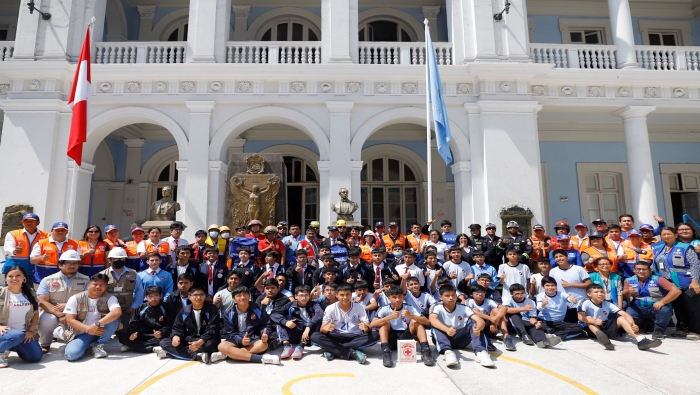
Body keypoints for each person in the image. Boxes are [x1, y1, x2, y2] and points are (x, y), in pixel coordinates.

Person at [578, 283, 662, 350]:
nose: (600, 294)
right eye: (596, 292)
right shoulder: (585, 302)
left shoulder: (607, 303)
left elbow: (624, 314)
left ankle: (640, 340)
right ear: (589, 294)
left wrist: (633, 325)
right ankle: (605, 341)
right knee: (589, 319)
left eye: (602, 292)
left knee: (621, 318)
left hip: (604, 325)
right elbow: (580, 317)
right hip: (589, 329)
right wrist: (595, 321)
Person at [651, 227, 700, 340]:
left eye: (669, 234)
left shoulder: (685, 247)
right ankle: (683, 329)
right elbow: (654, 266)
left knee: (692, 307)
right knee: (678, 307)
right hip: (670, 285)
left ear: (675, 235)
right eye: (664, 234)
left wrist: (695, 281)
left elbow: (695, 265)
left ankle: (695, 330)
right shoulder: (658, 249)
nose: (666, 236)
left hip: (687, 283)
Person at [310, 283, 379, 363]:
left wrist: (366, 328)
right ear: (336, 295)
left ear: (351, 295)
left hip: (354, 337)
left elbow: (367, 327)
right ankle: (351, 353)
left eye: (347, 294)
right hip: (335, 336)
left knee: (375, 335)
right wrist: (326, 328)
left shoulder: (360, 308)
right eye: (342, 295)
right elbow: (322, 329)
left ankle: (334, 350)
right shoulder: (330, 308)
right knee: (314, 336)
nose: (345, 297)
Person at [429, 284, 494, 367]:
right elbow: (432, 320)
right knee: (436, 327)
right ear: (441, 297)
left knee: (474, 325)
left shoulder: (464, 307)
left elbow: (480, 320)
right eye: (447, 296)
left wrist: (478, 328)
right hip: (443, 336)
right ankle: (448, 352)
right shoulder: (437, 307)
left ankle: (481, 353)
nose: (451, 298)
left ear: (456, 296)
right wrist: (447, 330)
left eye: (453, 295)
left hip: (460, 338)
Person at [36, 250, 89, 353]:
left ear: (78, 265)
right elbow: (42, 301)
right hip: (53, 312)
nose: (72, 266)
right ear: (61, 265)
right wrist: (60, 315)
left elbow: (88, 298)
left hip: (75, 312)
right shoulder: (48, 280)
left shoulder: (86, 280)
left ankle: (58, 333)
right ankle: (45, 344)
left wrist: (68, 306)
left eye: (75, 263)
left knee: (72, 340)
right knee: (47, 319)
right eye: (68, 263)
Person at [370, 286, 435, 367]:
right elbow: (372, 324)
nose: (398, 300)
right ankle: (386, 351)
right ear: (389, 298)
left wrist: (411, 315)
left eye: (400, 297)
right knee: (384, 323)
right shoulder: (383, 309)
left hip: (406, 337)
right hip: (391, 338)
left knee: (416, 321)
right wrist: (389, 317)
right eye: (394, 297)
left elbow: (427, 322)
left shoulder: (409, 307)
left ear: (403, 297)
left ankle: (425, 350)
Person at [63, 273, 122, 361]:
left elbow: (117, 312)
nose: (98, 287)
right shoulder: (75, 298)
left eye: (102, 285)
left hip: (101, 330)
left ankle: (98, 345)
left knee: (114, 319)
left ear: (106, 287)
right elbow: (70, 320)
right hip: (82, 332)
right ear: (88, 285)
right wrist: (89, 329)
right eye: (95, 284)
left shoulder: (110, 297)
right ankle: (87, 343)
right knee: (71, 355)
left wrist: (97, 324)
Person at [158, 285, 221, 363]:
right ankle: (197, 356)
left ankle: (171, 353)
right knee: (164, 342)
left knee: (211, 344)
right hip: (189, 338)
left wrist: (199, 342)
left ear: (205, 296)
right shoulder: (184, 311)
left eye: (201, 295)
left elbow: (213, 329)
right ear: (189, 297)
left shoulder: (212, 309)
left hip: (205, 340)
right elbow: (177, 327)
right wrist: (175, 336)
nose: (198, 297)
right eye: (195, 295)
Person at [217, 285, 279, 365]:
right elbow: (230, 333)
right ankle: (260, 359)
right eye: (238, 295)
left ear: (249, 296)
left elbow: (266, 325)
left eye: (245, 294)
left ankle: (229, 354)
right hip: (236, 339)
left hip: (253, 338)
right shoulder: (228, 313)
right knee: (221, 346)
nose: (242, 297)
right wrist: (241, 341)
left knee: (263, 345)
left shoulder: (258, 308)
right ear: (233, 299)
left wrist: (265, 334)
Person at [623, 262, 681, 340]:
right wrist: (628, 292)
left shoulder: (658, 279)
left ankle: (659, 330)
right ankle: (648, 323)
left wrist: (662, 302)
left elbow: (676, 291)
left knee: (665, 311)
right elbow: (625, 295)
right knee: (628, 315)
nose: (641, 271)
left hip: (656, 307)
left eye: (644, 269)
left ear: (650, 270)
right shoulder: (629, 280)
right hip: (638, 307)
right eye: (638, 269)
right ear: (634, 270)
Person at [0, 266, 43, 368]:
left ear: (24, 277)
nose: (14, 278)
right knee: (16, 335)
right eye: (10, 276)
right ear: (6, 278)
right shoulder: (1, 293)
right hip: (3, 332)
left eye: (18, 275)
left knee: (35, 357)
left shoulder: (30, 293)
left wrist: (31, 331)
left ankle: (8, 347)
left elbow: (35, 312)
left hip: (23, 333)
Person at [119, 286, 176, 353]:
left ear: (161, 296)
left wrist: (161, 332)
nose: (153, 299)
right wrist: (133, 333)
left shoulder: (168, 307)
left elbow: (170, 324)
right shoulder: (141, 308)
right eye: (150, 297)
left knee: (167, 339)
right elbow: (134, 323)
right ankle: (151, 348)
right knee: (123, 338)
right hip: (144, 334)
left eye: (156, 296)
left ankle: (135, 346)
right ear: (146, 297)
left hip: (159, 335)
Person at [99, 247, 144, 330]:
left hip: (127, 310)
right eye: (115, 259)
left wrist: (134, 307)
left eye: (121, 258)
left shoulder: (133, 273)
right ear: (110, 260)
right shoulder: (102, 275)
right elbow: (96, 293)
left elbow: (139, 291)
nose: (118, 261)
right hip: (107, 311)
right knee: (107, 331)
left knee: (124, 333)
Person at [275, 285, 324, 360]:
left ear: (309, 296)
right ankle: (287, 346)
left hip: (308, 334)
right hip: (295, 330)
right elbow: (275, 314)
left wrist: (308, 326)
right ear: (296, 296)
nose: (304, 298)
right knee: (280, 322)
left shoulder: (314, 304)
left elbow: (319, 314)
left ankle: (300, 347)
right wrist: (286, 322)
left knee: (315, 323)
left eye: (306, 295)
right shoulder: (290, 305)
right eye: (301, 295)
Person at [506, 283, 560, 348]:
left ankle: (542, 341)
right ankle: (524, 335)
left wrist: (536, 323)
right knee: (514, 314)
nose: (520, 296)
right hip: (515, 324)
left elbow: (532, 317)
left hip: (527, 322)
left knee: (535, 328)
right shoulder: (508, 299)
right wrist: (524, 308)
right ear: (511, 294)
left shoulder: (531, 302)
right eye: (517, 294)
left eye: (522, 293)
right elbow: (506, 310)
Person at [549, 249, 591, 323]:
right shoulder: (552, 271)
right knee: (570, 327)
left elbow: (588, 284)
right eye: (556, 257)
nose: (559, 258)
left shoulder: (579, 269)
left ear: (567, 257)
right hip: (564, 304)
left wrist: (570, 284)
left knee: (584, 325)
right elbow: (552, 287)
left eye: (561, 256)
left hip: (580, 303)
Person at [468, 285, 513, 351]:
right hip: (475, 327)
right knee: (475, 311)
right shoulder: (469, 301)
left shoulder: (488, 301)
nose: (480, 294)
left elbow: (504, 308)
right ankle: (483, 339)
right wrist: (490, 318)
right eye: (477, 293)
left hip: (489, 326)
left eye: (482, 292)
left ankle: (506, 337)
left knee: (496, 310)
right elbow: (473, 312)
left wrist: (494, 321)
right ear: (471, 294)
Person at [3, 213, 48, 277]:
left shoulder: (46, 236)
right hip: (14, 269)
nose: (29, 223)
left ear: (38, 223)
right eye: (26, 221)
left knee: (32, 287)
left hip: (35, 270)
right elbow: (8, 248)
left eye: (32, 221)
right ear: (22, 223)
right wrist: (14, 251)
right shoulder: (13, 233)